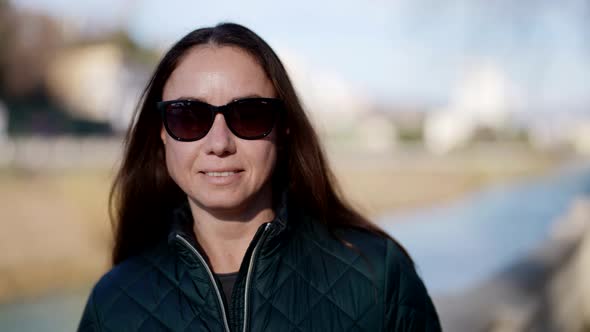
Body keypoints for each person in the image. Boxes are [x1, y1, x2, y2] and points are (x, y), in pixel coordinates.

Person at [77, 22, 441, 331]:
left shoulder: (377, 278)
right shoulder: (112, 305)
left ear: (283, 128)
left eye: (249, 114)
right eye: (188, 116)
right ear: (161, 131)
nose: (219, 143)